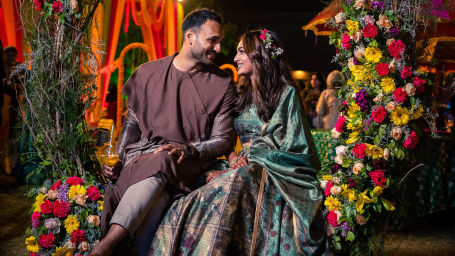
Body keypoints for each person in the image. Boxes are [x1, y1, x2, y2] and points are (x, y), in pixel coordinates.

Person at [149, 29, 327, 255]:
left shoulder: (285, 94)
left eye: (242, 51)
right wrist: (233, 160)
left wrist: (248, 160)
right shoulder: (239, 93)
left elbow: (294, 142)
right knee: (197, 186)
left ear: (260, 54)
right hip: (241, 164)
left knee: (237, 181)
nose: (235, 58)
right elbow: (228, 135)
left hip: (272, 169)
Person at [92, 8, 236, 256]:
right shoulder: (147, 73)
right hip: (143, 160)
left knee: (165, 158)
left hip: (186, 164)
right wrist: (118, 159)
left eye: (220, 41)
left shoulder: (222, 83)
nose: (219, 48)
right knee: (156, 191)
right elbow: (132, 125)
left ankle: (104, 247)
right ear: (190, 36)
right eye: (213, 40)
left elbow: (223, 139)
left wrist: (189, 149)